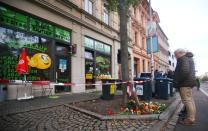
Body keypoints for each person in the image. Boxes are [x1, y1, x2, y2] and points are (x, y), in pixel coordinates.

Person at [174, 49, 196, 125]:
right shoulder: (188, 58)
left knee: (187, 101)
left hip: (184, 83)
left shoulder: (183, 58)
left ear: (180, 53)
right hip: (188, 82)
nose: (176, 57)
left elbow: (184, 71)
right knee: (190, 100)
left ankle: (190, 119)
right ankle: (191, 117)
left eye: (176, 55)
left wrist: (177, 80)